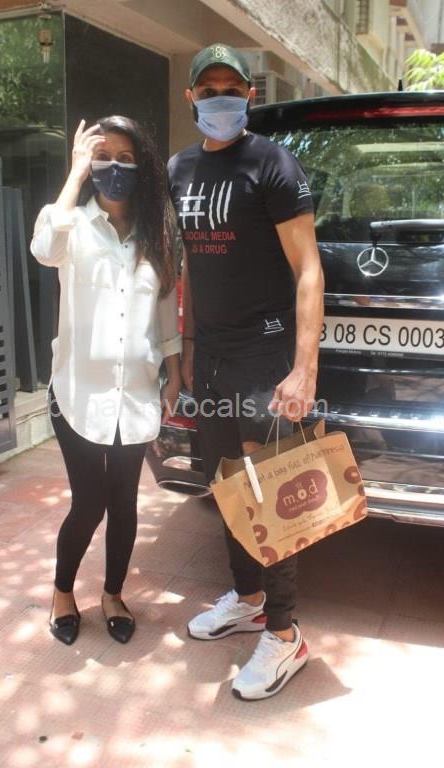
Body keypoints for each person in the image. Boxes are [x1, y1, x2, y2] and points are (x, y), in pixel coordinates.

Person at [168, 44, 324, 700]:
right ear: (191, 98)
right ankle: (249, 599)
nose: (220, 97)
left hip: (265, 357)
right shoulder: (179, 169)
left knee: (271, 494)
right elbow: (188, 269)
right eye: (208, 88)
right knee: (229, 485)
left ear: (250, 95)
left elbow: (309, 268)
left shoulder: (272, 164)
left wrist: (304, 368)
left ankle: (285, 636)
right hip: (211, 360)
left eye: (232, 87)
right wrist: (185, 353)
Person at [31, 116, 181, 646]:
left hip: (135, 393)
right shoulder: (71, 224)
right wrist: (75, 173)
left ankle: (113, 594)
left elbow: (164, 310)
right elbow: (44, 248)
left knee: (124, 503)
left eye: (124, 158)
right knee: (88, 503)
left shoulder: (154, 234)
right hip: (76, 393)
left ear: (141, 167)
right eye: (103, 157)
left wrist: (174, 372)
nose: (113, 167)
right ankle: (62, 592)